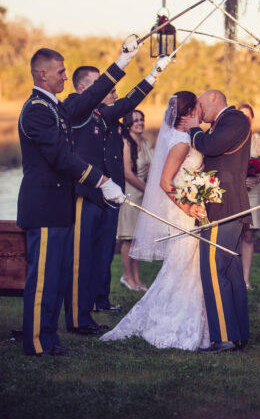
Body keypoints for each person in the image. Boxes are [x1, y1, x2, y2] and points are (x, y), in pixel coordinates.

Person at [17, 44, 137, 356]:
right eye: (60, 72)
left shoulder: (55, 107)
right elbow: (59, 157)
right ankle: (37, 341)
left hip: (59, 206)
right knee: (42, 279)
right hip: (44, 207)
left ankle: (50, 337)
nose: (65, 77)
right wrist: (101, 180)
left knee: (55, 275)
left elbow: (90, 96)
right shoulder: (36, 110)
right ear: (43, 75)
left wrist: (122, 61)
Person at [64, 56, 170, 336]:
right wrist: (122, 61)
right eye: (98, 84)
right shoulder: (74, 109)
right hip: (83, 195)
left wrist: (152, 76)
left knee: (99, 255)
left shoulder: (100, 114)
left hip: (103, 197)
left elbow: (125, 104)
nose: (104, 88)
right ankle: (76, 318)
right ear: (85, 88)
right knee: (80, 258)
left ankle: (88, 311)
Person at [100, 92, 210, 351]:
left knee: (184, 265)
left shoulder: (176, 136)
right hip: (183, 211)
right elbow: (164, 181)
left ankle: (189, 315)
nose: (201, 112)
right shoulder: (182, 141)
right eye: (198, 108)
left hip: (183, 208)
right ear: (188, 113)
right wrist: (188, 206)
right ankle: (172, 320)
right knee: (183, 265)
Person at [181, 90, 251, 353]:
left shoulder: (234, 119)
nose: (198, 112)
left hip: (223, 207)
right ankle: (237, 334)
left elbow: (210, 147)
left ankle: (224, 337)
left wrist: (194, 129)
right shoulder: (223, 123)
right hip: (223, 205)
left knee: (212, 271)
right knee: (230, 272)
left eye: (200, 105)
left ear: (213, 99)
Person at [117, 109, 153, 291]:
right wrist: (147, 189)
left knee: (138, 239)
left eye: (142, 119)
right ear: (128, 124)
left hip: (144, 194)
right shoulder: (125, 143)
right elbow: (127, 173)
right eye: (136, 120)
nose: (140, 122)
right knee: (129, 239)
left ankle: (137, 279)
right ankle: (126, 277)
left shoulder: (146, 142)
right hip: (131, 194)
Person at [237, 103, 260, 290]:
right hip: (235, 191)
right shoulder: (230, 139)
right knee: (233, 233)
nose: (245, 120)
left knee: (248, 234)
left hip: (254, 191)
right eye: (241, 116)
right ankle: (232, 277)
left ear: (252, 119)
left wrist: (255, 178)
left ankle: (245, 280)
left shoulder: (257, 139)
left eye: (248, 116)